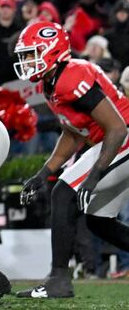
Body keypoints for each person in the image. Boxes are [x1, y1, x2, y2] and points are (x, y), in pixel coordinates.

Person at [15, 21, 129, 299]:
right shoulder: (52, 83)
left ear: (52, 50)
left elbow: (117, 128)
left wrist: (95, 174)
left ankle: (58, 280)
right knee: (98, 221)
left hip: (121, 137)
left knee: (64, 193)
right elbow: (73, 133)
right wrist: (44, 173)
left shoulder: (72, 75)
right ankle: (58, 278)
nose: (27, 61)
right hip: (114, 140)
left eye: (32, 53)